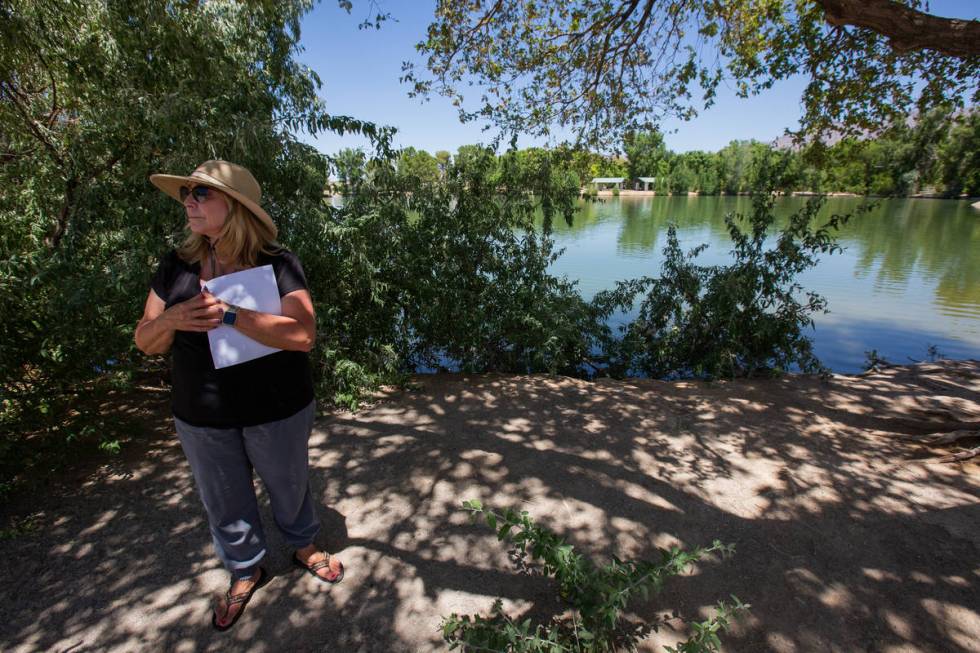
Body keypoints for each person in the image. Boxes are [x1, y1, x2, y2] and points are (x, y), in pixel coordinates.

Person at [135, 160, 344, 631]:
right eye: (186, 193)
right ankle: (245, 568)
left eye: (200, 194)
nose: (188, 201)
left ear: (237, 207)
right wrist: (171, 319)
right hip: (201, 414)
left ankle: (303, 544)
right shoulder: (175, 267)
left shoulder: (279, 263)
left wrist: (228, 313)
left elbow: (303, 334)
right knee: (223, 498)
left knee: (289, 484)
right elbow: (146, 341)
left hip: (278, 406)